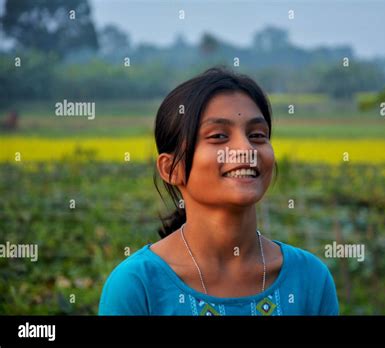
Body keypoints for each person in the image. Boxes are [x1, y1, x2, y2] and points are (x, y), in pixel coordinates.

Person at [99, 67, 339, 316]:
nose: (245, 149)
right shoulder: (136, 286)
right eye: (219, 136)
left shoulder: (311, 279)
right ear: (171, 169)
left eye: (257, 135)